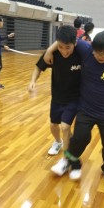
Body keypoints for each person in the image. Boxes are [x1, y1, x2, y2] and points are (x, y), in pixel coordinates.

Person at [46, 31, 104, 182]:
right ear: (92, 48)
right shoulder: (86, 51)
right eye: (97, 52)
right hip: (86, 109)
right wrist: (49, 50)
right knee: (78, 139)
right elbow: (67, 37)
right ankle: (69, 161)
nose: (100, 56)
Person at [28, 25, 81, 156]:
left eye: (68, 47)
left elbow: (100, 51)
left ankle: (68, 156)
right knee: (53, 125)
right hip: (57, 96)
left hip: (75, 97)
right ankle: (58, 142)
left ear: (75, 43)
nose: (64, 51)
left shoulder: (82, 53)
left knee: (65, 126)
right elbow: (38, 67)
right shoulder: (53, 53)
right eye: (61, 47)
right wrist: (33, 81)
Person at [0, 16, 15, 89]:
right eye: (2, 21)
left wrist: (8, 36)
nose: (3, 23)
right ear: (0, 22)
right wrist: (3, 46)